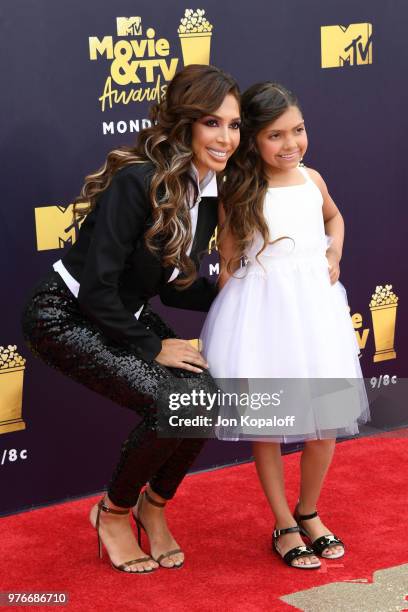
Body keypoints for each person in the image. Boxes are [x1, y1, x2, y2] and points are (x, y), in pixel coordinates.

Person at [21, 64, 241, 573]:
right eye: (212, 122)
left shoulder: (207, 190)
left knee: (207, 397)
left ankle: (153, 507)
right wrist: (152, 345)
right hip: (66, 315)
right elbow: (98, 287)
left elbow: (165, 279)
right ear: (186, 123)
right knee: (172, 401)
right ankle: (113, 513)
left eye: (234, 125)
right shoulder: (137, 179)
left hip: (122, 314)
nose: (226, 137)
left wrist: (234, 297)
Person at [200, 82, 369, 569]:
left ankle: (309, 510)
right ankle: (284, 523)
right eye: (276, 135)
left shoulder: (312, 179)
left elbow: (335, 220)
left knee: (326, 422)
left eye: (298, 130)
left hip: (318, 315)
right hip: (263, 316)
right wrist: (230, 321)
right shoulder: (237, 189)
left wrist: (333, 251)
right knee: (269, 425)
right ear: (252, 140)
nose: (291, 143)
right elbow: (230, 260)